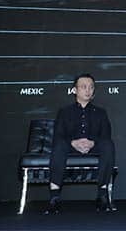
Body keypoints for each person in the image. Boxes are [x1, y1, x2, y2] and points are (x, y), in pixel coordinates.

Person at [45, 73, 116, 214]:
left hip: (93, 146)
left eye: (91, 87)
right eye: (84, 87)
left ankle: (102, 195)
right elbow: (59, 135)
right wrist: (73, 143)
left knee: (108, 145)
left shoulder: (101, 112)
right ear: (75, 90)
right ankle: (54, 197)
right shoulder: (65, 112)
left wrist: (92, 143)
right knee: (59, 145)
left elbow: (105, 135)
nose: (88, 90)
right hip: (70, 147)